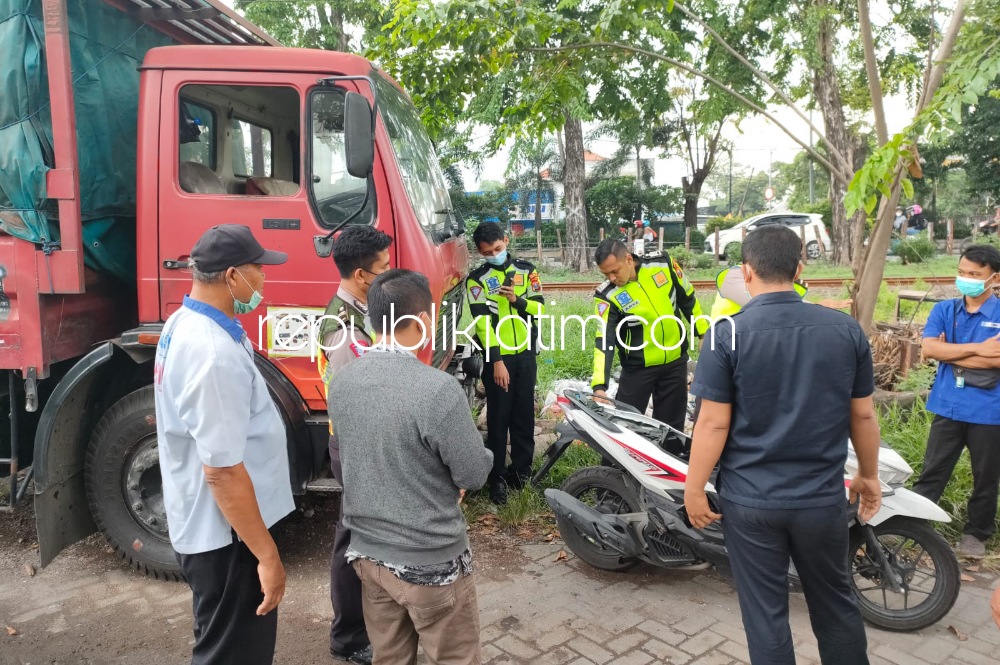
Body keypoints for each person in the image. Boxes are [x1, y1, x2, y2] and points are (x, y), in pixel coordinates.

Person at [683, 225, 883, 665]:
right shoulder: (845, 331)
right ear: (799, 268)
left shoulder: (726, 334)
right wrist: (868, 476)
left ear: (746, 271)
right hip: (820, 499)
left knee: (766, 616)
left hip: (751, 502)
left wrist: (694, 489)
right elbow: (863, 415)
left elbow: (713, 424)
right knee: (835, 606)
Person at [328, 269, 494, 665]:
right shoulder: (437, 390)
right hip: (431, 562)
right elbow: (472, 473)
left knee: (390, 656)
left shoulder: (342, 381)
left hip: (368, 555)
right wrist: (480, 458)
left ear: (373, 318)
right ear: (423, 321)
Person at [154, 224, 294, 665]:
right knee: (233, 654)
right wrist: (267, 557)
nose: (264, 281)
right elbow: (222, 471)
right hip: (226, 537)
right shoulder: (211, 352)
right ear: (233, 277)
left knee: (223, 643)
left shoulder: (186, 320)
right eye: (259, 270)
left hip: (217, 526)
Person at [319, 225, 392, 665]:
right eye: (383, 268)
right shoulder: (343, 329)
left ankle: (371, 623)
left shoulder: (363, 309)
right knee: (351, 541)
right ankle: (347, 637)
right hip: (356, 444)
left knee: (365, 534)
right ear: (363, 275)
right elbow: (353, 400)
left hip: (365, 441)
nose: (388, 273)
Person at [910, 245, 1000, 560]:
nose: (966, 279)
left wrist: (953, 352)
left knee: (986, 476)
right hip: (948, 405)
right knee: (933, 470)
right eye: (962, 272)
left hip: (989, 411)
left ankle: (976, 535)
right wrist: (980, 351)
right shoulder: (944, 311)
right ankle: (914, 527)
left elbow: (998, 358)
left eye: (974, 275)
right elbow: (930, 349)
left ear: (994, 278)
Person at [591, 239, 708, 431]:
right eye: (605, 274)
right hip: (637, 369)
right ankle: (613, 463)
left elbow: (687, 298)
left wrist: (702, 332)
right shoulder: (607, 295)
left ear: (628, 259)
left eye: (615, 271)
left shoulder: (662, 264)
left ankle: (670, 459)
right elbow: (604, 340)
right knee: (624, 428)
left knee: (671, 430)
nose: (611, 278)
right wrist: (599, 387)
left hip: (675, 362)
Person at [466, 222, 545, 505]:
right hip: (497, 357)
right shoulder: (476, 279)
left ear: (506, 241)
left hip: (525, 355)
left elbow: (540, 308)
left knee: (524, 416)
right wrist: (496, 360)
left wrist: (517, 300)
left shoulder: (526, 270)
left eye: (498, 249)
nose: (494, 254)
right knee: (499, 419)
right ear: (480, 252)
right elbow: (482, 323)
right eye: (488, 252)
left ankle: (521, 474)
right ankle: (497, 477)